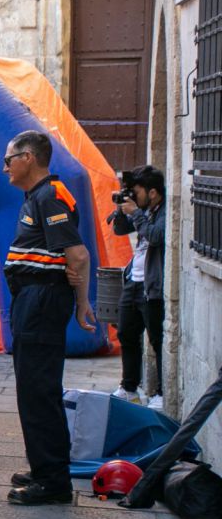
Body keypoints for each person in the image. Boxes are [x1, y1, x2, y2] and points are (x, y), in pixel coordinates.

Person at [2, 130, 96, 506]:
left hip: (41, 302)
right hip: (32, 299)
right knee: (33, 389)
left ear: (28, 157)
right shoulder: (36, 197)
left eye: (8, 159)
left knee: (39, 391)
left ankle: (54, 481)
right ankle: (44, 468)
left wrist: (82, 302)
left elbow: (78, 255)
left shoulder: (50, 196)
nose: (5, 166)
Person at [111, 165, 166, 409]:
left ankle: (162, 392)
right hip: (133, 280)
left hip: (151, 285)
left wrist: (137, 213)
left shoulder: (164, 211)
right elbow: (120, 229)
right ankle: (129, 387)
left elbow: (155, 236)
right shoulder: (143, 210)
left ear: (152, 193)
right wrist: (124, 209)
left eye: (137, 192)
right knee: (126, 333)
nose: (135, 196)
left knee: (157, 339)